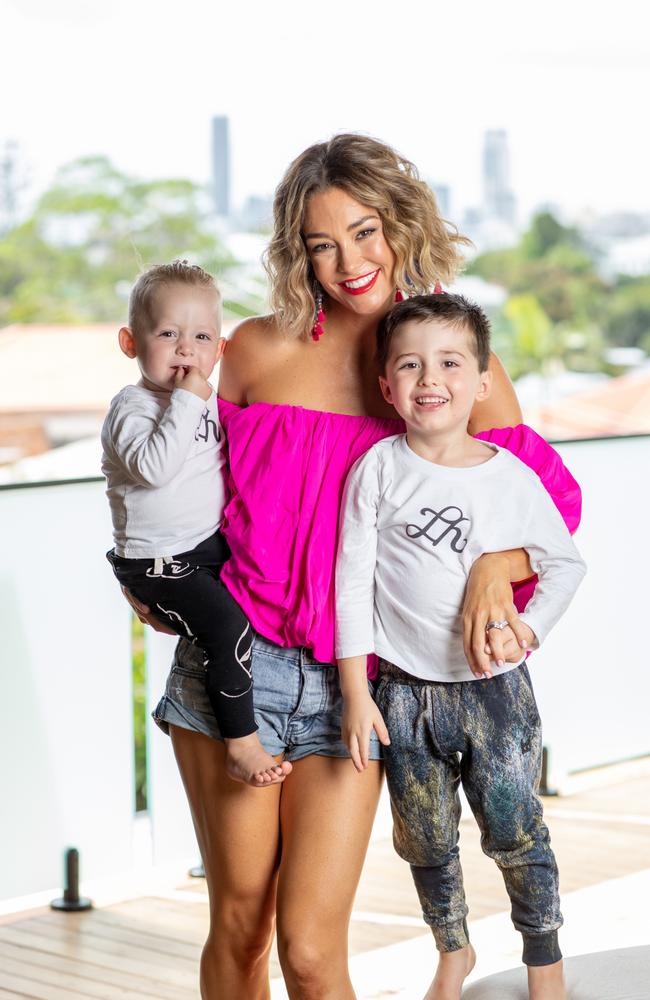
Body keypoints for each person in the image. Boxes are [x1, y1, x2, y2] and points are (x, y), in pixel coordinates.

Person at [126, 134, 582, 1000]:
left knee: (308, 946)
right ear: (297, 253)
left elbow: (547, 507)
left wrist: (495, 565)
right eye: (321, 244)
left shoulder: (441, 361)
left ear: (400, 227)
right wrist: (147, 573)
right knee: (238, 928)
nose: (349, 261)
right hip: (235, 667)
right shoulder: (254, 350)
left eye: (365, 232)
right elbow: (178, 480)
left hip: (358, 683)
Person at [336, 292, 586, 1000]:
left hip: (496, 694)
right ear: (387, 386)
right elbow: (350, 585)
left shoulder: (509, 478)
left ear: (482, 381)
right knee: (424, 839)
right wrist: (358, 692)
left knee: (515, 830)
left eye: (449, 363)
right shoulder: (379, 470)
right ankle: (454, 948)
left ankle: (545, 961)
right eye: (409, 366)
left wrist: (528, 631)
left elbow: (565, 565)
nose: (429, 380)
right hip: (403, 691)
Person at [102, 261, 290, 787]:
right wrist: (188, 399)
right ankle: (241, 743)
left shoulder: (203, 401)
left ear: (220, 350)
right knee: (228, 628)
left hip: (203, 548)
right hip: (159, 561)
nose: (186, 349)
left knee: (250, 600)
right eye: (167, 334)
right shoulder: (132, 408)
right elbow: (156, 469)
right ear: (129, 341)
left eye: (201, 336)